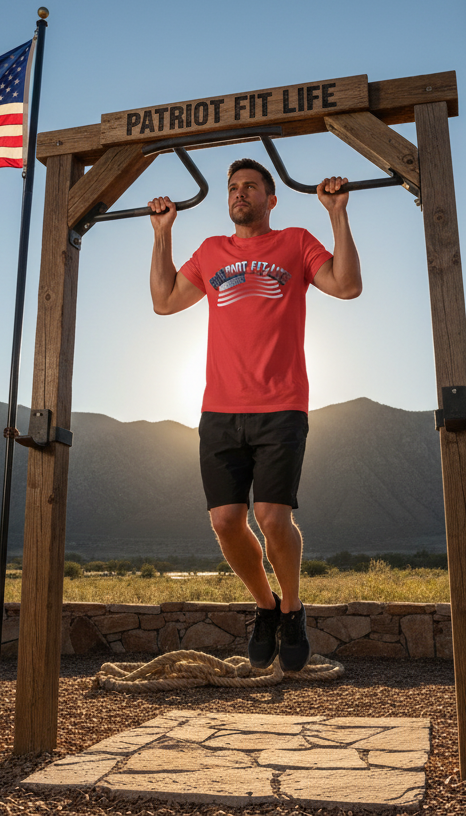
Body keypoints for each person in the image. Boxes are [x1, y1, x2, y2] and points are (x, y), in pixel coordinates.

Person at [147, 157, 361, 672]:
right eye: (233, 188)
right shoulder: (210, 252)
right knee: (225, 521)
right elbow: (164, 301)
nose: (240, 194)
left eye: (250, 187)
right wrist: (162, 233)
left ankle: (293, 607)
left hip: (281, 405)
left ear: (271, 198)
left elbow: (346, 285)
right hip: (219, 410)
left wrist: (337, 214)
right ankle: (265, 607)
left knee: (270, 516)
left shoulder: (295, 241)